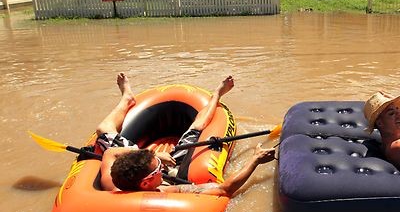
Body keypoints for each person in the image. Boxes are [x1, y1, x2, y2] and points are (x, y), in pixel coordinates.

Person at [97, 73, 275, 195]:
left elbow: (109, 153)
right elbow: (224, 189)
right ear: (146, 183)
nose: (161, 166)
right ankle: (216, 95)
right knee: (196, 128)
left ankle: (127, 98)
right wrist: (255, 160)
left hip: (145, 162)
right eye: (159, 167)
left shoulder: (111, 183)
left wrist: (155, 155)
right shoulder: (165, 192)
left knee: (103, 131)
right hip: (175, 171)